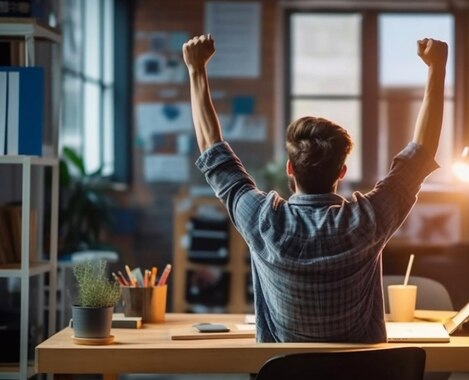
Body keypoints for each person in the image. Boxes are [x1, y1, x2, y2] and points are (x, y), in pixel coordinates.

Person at [182, 34, 447, 344]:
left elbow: (213, 151)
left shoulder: (262, 221)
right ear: (342, 172)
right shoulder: (367, 220)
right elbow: (420, 153)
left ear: (290, 169)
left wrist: (196, 69)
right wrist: (437, 68)